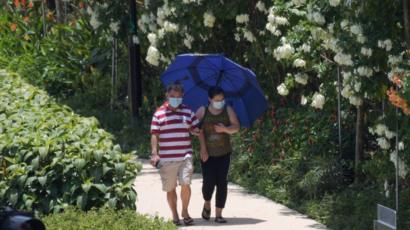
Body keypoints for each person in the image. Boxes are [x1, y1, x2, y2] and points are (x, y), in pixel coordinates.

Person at [150, 83, 200, 226]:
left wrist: (195, 131)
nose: (175, 99)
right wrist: (154, 153)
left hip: (185, 155)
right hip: (167, 158)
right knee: (170, 189)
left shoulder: (188, 112)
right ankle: (175, 214)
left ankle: (185, 211)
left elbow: (195, 128)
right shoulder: (159, 113)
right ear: (167, 95)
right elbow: (154, 134)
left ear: (182, 96)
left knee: (186, 183)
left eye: (178, 97)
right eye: (172, 96)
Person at [196, 86, 240, 223]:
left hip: (224, 153)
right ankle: (207, 202)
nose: (220, 102)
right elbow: (198, 130)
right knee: (208, 183)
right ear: (210, 99)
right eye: (217, 99)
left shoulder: (228, 110)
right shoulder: (202, 111)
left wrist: (225, 129)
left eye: (222, 99)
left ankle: (219, 214)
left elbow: (236, 127)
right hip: (207, 154)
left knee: (222, 183)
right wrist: (203, 148)